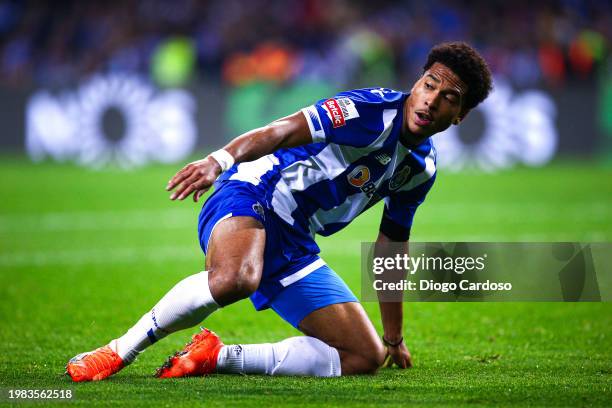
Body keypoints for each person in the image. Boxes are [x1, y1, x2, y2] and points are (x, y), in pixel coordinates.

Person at [66, 41, 492, 381]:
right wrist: (219, 160)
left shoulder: (422, 169)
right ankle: (119, 350)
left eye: (448, 96)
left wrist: (394, 336)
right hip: (254, 190)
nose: (432, 101)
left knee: (365, 356)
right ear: (417, 83)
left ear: (460, 115)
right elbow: (282, 130)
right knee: (237, 278)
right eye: (430, 85)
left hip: (293, 237)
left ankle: (217, 356)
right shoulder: (368, 110)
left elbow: (391, 248)